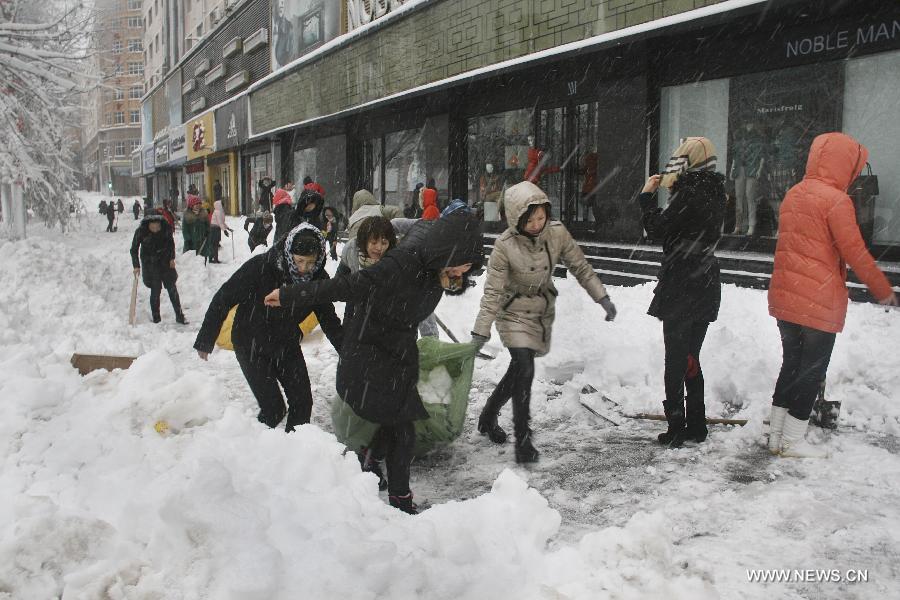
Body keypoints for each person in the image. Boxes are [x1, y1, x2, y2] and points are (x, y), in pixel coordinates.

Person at [263, 212, 484, 514]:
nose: (465, 271)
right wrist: (291, 294)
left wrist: (454, 277)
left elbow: (424, 226)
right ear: (448, 250)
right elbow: (349, 286)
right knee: (404, 429)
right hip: (369, 353)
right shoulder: (402, 264)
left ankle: (371, 457)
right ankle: (400, 502)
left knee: (395, 423)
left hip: (399, 352)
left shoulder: (440, 263)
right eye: (463, 263)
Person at [767, 132, 898, 458]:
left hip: (786, 297)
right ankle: (793, 443)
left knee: (791, 365)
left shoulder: (794, 194)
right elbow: (854, 252)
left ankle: (775, 436)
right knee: (811, 370)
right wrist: (883, 290)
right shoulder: (837, 201)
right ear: (845, 166)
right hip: (818, 300)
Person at [471, 181, 615, 463]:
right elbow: (493, 292)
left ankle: (488, 414)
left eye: (542, 217)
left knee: (517, 369)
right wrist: (481, 330)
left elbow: (580, 266)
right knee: (524, 368)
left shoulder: (557, 233)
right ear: (516, 218)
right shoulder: (504, 246)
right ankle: (523, 440)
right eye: (531, 219)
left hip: (539, 311)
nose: (538, 224)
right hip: (511, 312)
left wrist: (602, 298)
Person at [194, 224, 343, 432]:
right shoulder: (262, 267)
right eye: (299, 261)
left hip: (285, 342)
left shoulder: (317, 279)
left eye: (310, 263)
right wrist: (206, 339)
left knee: (303, 402)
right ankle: (255, 452)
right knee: (273, 409)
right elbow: (224, 297)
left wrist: (347, 352)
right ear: (289, 252)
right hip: (250, 341)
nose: (304, 269)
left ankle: (292, 451)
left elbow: (329, 319)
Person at [637, 137, 724, 448]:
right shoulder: (716, 192)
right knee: (690, 355)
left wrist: (647, 197)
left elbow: (656, 228)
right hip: (705, 279)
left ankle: (676, 426)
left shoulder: (689, 193)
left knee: (675, 358)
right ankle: (697, 424)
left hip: (682, 281)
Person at [130, 212, 187, 324]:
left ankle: (179, 315)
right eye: (153, 227)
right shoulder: (141, 232)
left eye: (157, 226)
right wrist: (136, 265)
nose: (155, 229)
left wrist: (172, 258)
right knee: (155, 291)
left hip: (165, 263)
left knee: (172, 289)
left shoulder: (166, 229)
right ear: (148, 225)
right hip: (150, 265)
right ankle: (156, 318)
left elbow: (171, 244)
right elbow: (134, 249)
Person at [205, 199, 232, 264]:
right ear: (219, 205)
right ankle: (212, 259)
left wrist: (228, 228)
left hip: (216, 229)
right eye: (222, 204)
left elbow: (222, 222)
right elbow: (220, 223)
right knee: (214, 245)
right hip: (214, 229)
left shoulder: (220, 212)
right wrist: (225, 231)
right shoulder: (218, 212)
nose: (223, 205)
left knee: (215, 245)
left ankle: (214, 259)